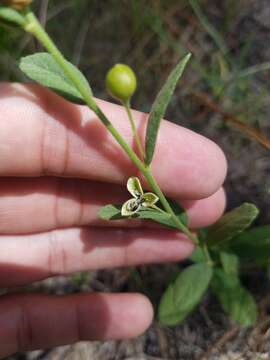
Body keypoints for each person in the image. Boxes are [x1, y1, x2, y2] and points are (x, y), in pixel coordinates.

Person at [0, 82, 227, 357]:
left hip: (159, 211)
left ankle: (211, 252)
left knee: (194, 226)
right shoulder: (138, 199)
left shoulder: (146, 198)